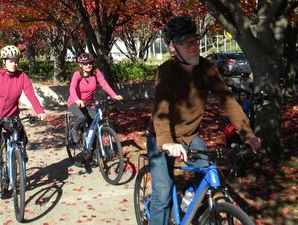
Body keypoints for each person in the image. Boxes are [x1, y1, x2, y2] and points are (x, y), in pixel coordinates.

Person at [146, 16, 261, 225]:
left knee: (207, 171)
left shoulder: (206, 67)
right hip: (160, 137)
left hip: (189, 136)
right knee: (162, 195)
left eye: (195, 41)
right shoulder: (166, 71)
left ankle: (188, 200)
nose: (193, 47)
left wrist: (248, 134)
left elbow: (228, 101)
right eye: (186, 43)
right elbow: (161, 108)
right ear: (173, 47)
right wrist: (166, 142)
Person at [0, 45, 46, 194]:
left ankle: (19, 154)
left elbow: (31, 95)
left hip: (12, 117)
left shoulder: (22, 76)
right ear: (4, 61)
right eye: (10, 61)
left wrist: (40, 111)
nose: (14, 64)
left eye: (16, 61)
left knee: (23, 139)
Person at [67, 52, 123, 142]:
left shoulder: (96, 72)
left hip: (89, 103)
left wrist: (114, 96)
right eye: (85, 64)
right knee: (82, 117)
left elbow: (104, 84)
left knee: (94, 126)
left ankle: (92, 151)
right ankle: (74, 130)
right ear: (81, 64)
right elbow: (72, 88)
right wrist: (77, 100)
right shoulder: (77, 74)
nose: (88, 65)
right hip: (75, 102)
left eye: (90, 63)